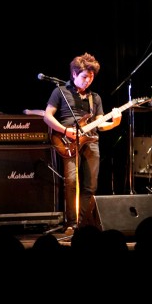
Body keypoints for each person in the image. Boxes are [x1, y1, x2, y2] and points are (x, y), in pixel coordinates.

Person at [44, 53, 122, 232]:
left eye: (91, 77)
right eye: (85, 77)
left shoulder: (95, 98)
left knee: (91, 185)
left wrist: (115, 122)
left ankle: (83, 223)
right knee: (71, 181)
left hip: (91, 141)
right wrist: (65, 131)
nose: (88, 81)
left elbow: (100, 124)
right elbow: (47, 116)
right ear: (74, 74)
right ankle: (71, 223)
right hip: (67, 140)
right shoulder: (60, 92)